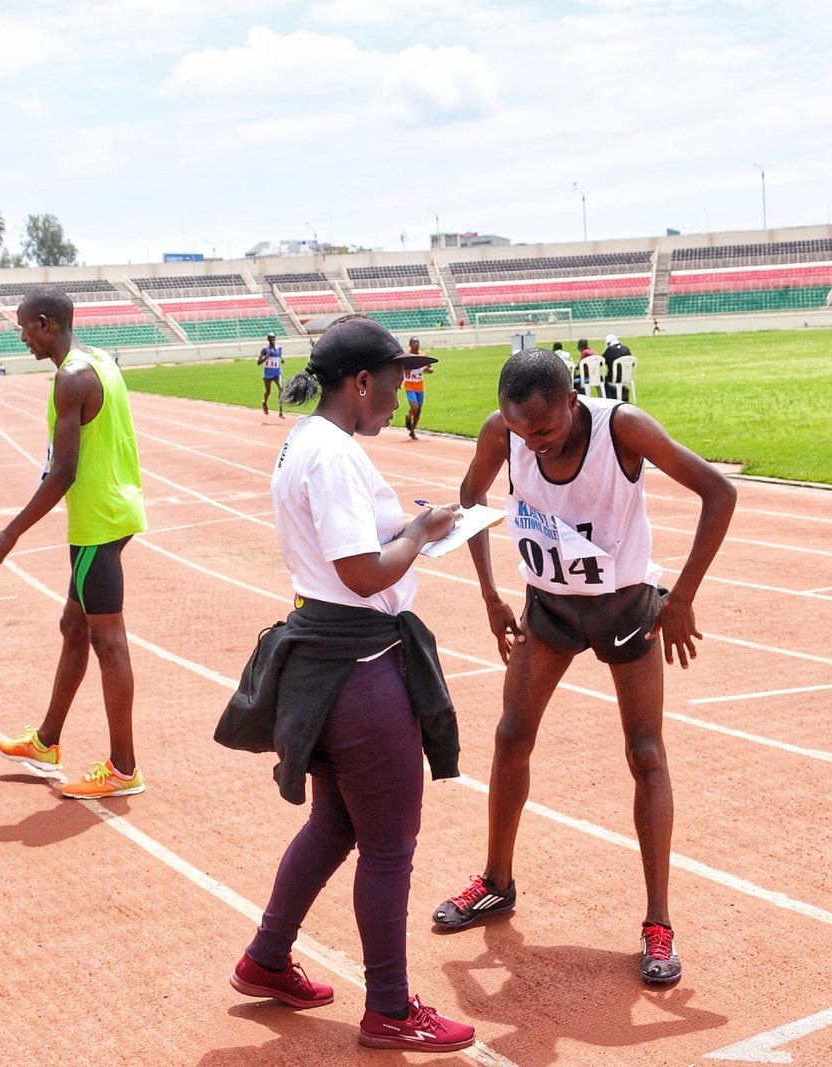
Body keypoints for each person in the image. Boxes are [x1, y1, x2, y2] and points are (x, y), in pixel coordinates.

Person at [433, 347, 736, 986]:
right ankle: (496, 882)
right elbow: (471, 497)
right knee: (511, 736)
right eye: (521, 433)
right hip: (549, 608)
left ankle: (658, 923)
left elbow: (719, 492)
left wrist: (681, 597)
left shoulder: (623, 429)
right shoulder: (503, 433)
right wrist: (489, 594)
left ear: (573, 402)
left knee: (645, 753)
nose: (532, 445)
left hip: (624, 608)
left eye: (544, 431)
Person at [215, 316, 473, 1053]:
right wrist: (419, 536)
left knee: (333, 824)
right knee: (388, 845)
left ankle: (266, 958)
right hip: (357, 664)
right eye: (395, 381)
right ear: (360, 382)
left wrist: (417, 525)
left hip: (324, 657)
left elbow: (356, 547)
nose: (399, 394)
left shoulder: (311, 440)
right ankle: (389, 1009)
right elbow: (361, 572)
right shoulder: (331, 454)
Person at [0, 288, 149, 800]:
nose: (23, 337)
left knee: (108, 640)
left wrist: (11, 532)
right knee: (73, 626)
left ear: (46, 323)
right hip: (114, 507)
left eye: (24, 327)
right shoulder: (97, 360)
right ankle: (46, 741)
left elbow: (63, 472)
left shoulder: (71, 377)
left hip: (98, 522)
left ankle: (124, 769)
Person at [401, 337, 433, 440]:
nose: (416, 344)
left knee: (419, 410)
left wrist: (428, 370)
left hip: (419, 385)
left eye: (417, 342)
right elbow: (400, 367)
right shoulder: (406, 355)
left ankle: (412, 431)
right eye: (414, 342)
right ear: (410, 344)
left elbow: (430, 368)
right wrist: (406, 369)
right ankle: (408, 416)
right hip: (409, 385)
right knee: (414, 407)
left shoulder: (422, 356)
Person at [257, 333, 284, 417]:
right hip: (268, 373)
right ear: (268, 339)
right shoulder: (265, 350)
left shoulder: (279, 348)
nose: (272, 340)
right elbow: (258, 363)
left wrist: (282, 359)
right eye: (271, 338)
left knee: (281, 388)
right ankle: (264, 402)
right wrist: (267, 356)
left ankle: (281, 411)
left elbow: (279, 356)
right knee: (268, 391)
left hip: (277, 373)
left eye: (273, 338)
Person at [601, 333, 632, 400]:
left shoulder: (609, 350)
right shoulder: (626, 348)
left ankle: (609, 398)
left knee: (603, 380)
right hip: (627, 376)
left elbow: (602, 362)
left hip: (614, 378)